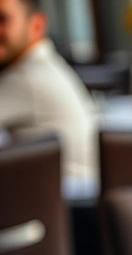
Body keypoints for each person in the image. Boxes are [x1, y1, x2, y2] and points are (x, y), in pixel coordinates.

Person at [0, 0, 97, 180]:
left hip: (66, 201)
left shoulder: (27, 77)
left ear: (37, 25)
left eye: (3, 19)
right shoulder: (41, 66)